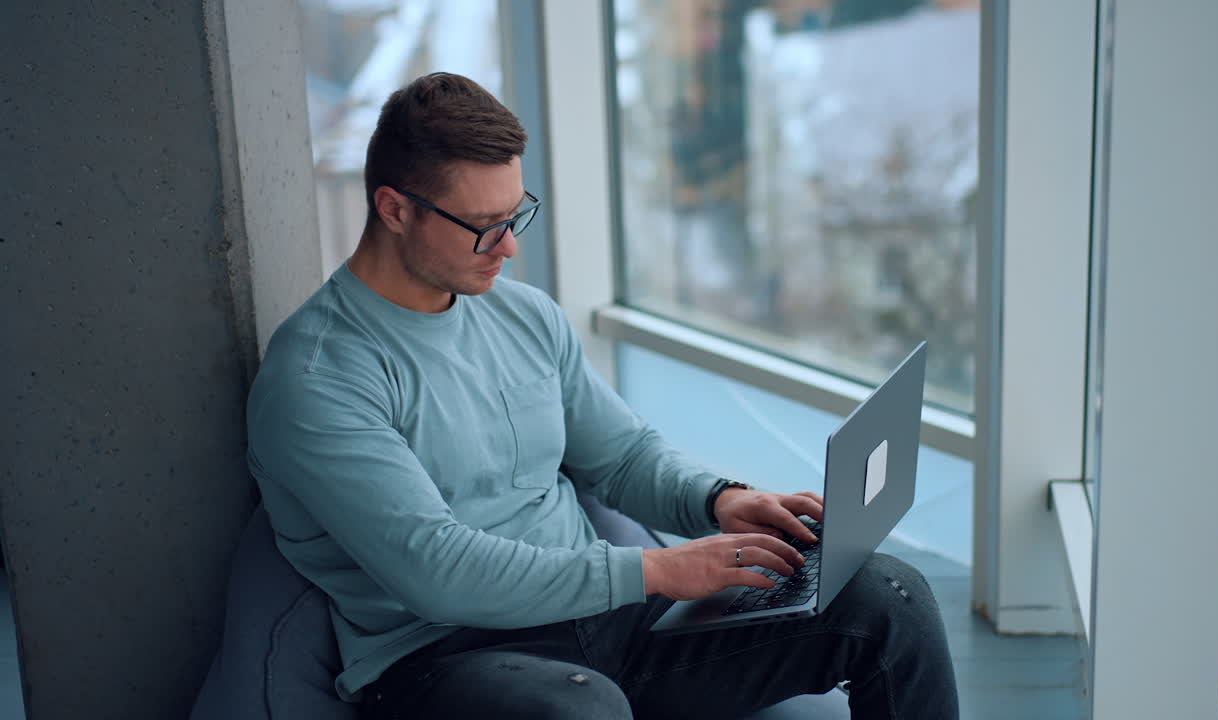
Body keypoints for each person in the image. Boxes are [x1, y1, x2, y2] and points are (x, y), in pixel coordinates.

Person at [247, 72, 958, 720]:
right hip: (448, 661)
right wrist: (657, 568)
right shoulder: (319, 378)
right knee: (579, 710)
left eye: (515, 213)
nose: (508, 247)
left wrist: (722, 500)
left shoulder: (520, 315)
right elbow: (439, 572)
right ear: (395, 209)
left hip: (612, 627)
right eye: (483, 227)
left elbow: (620, 459)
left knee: (888, 597)